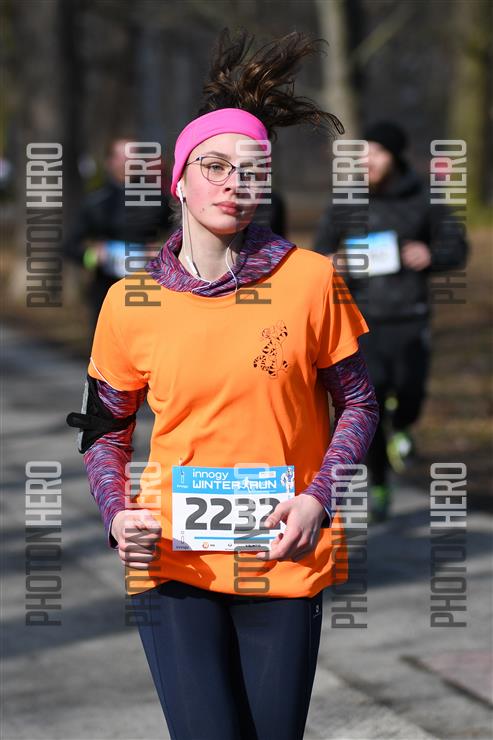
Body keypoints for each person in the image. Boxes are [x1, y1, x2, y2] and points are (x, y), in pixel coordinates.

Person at [66, 29, 379, 740]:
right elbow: (104, 428)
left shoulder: (310, 281)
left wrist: (317, 499)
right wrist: (117, 515)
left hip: (282, 554)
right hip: (174, 560)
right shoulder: (130, 302)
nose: (234, 183)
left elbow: (358, 400)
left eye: (252, 170)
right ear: (178, 179)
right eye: (214, 166)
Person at [313, 120, 468, 522]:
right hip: (361, 320)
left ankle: (405, 424)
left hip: (410, 314)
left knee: (412, 390)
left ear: (395, 157)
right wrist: (334, 262)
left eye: (377, 152)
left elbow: (456, 246)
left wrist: (431, 255)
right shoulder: (346, 201)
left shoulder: (424, 198)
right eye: (363, 152)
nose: (367, 160)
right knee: (370, 404)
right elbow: (319, 253)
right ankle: (380, 482)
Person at [63, 137, 172, 332]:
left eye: (133, 156)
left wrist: (162, 249)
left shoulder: (158, 200)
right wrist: (91, 256)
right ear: (109, 161)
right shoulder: (96, 202)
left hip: (147, 288)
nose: (127, 162)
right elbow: (70, 245)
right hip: (106, 287)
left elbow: (178, 234)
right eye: (121, 156)